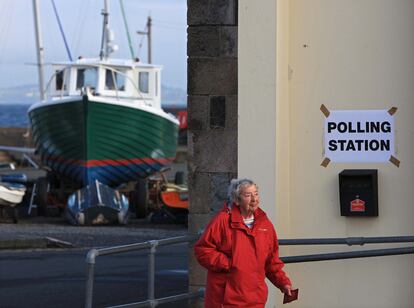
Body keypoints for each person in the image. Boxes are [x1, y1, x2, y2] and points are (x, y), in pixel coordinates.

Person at [194, 178, 293, 307]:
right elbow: (202, 250)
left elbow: (271, 261)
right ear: (236, 200)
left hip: (255, 299)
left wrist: (283, 282)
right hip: (225, 300)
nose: (254, 199)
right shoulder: (222, 221)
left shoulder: (265, 224)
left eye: (256, 194)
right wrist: (229, 263)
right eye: (248, 195)